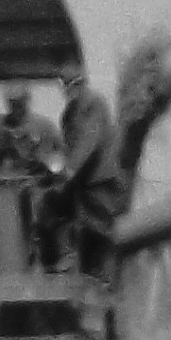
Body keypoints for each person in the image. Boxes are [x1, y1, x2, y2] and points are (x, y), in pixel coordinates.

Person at [52, 74, 126, 274]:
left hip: (99, 182)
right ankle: (73, 263)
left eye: (75, 85)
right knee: (62, 216)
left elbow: (89, 141)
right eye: (66, 86)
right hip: (81, 185)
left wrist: (70, 169)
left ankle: (102, 277)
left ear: (82, 84)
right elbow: (67, 146)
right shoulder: (68, 114)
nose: (70, 91)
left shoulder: (93, 105)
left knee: (99, 231)